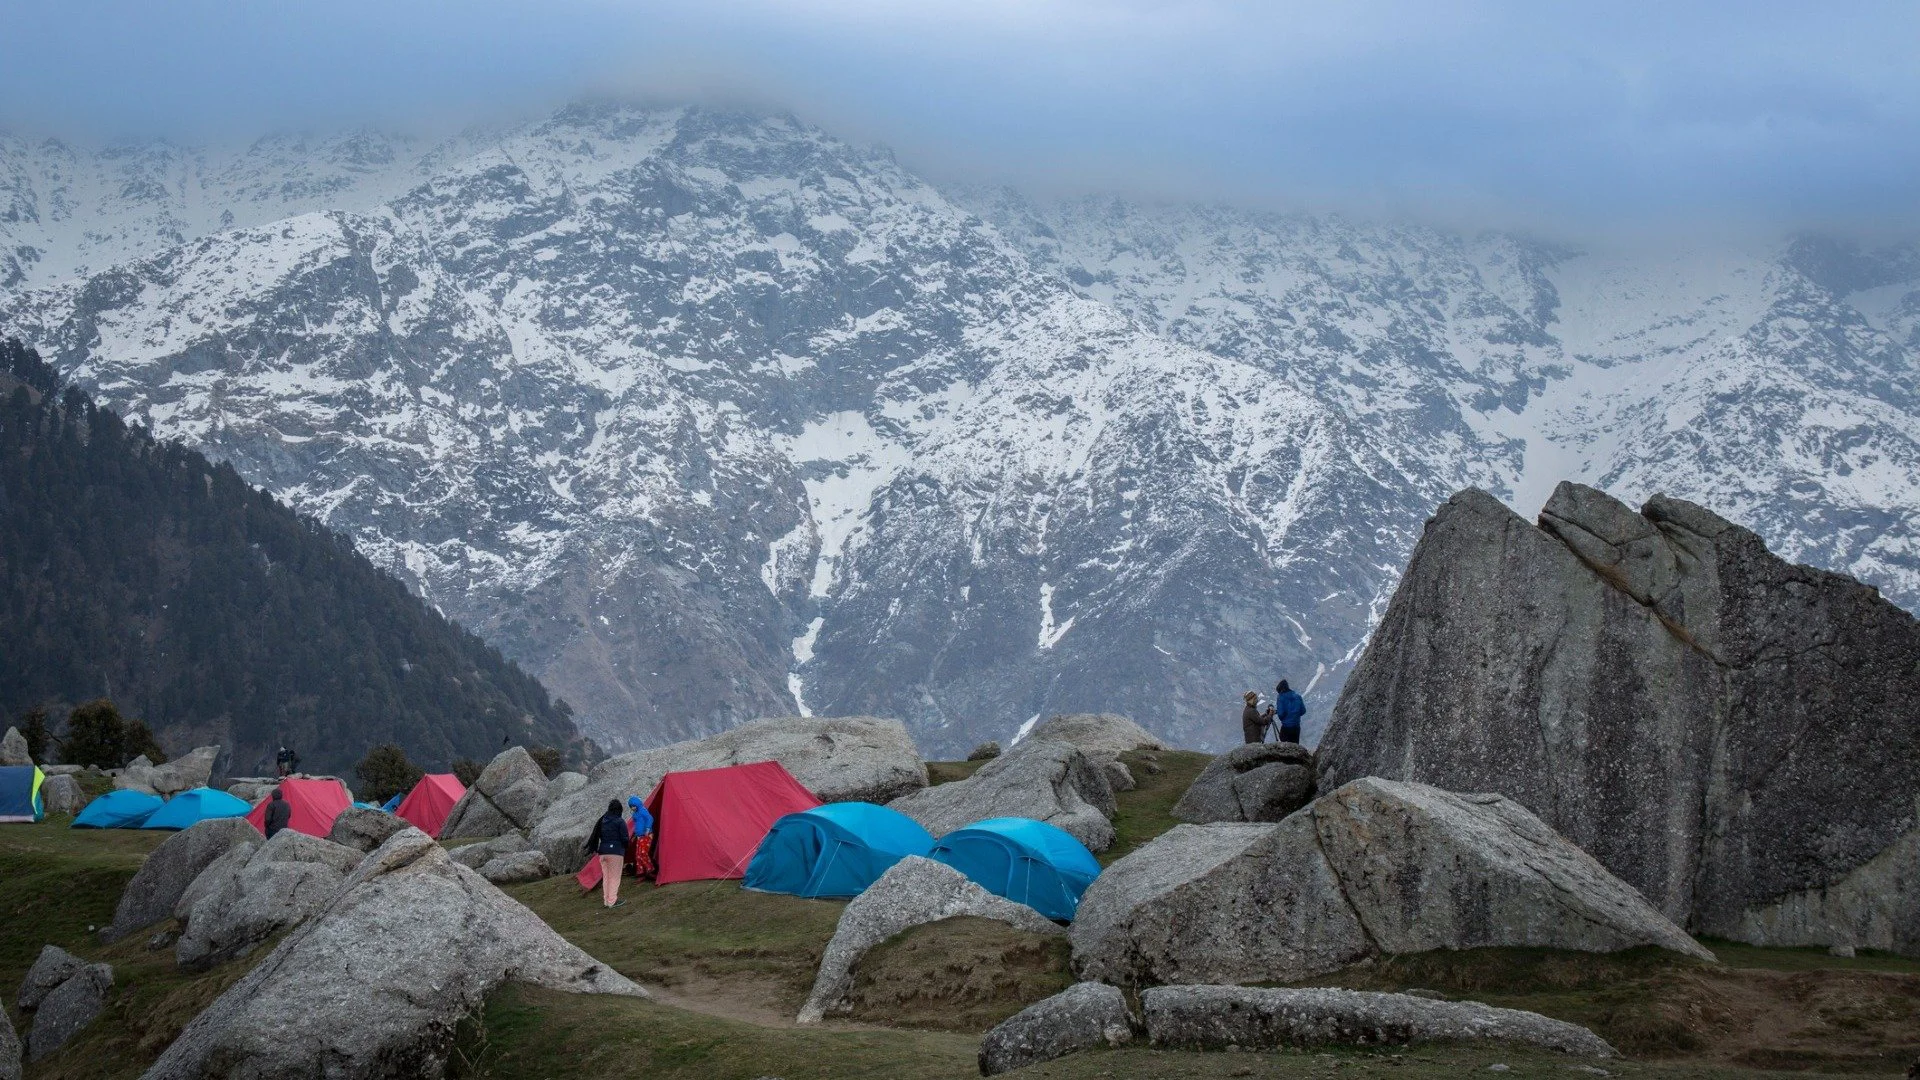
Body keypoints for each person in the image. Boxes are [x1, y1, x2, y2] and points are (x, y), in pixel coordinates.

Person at [584, 799, 630, 909]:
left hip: (603, 852)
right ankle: (612, 901)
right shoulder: (620, 821)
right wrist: (626, 846)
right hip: (615, 853)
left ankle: (606, 900)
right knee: (614, 877)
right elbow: (625, 838)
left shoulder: (603, 820)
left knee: (607, 877)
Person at [1272, 680, 1306, 744]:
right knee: (1295, 746)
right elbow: (1303, 711)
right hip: (1296, 726)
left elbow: (1281, 715)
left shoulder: (1281, 697)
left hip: (1286, 727)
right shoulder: (1298, 696)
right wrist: (1294, 715)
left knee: (1284, 747)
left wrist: (1277, 712)